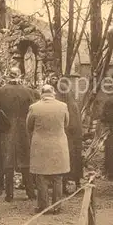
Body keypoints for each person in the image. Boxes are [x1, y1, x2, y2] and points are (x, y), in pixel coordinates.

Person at [0, 67, 37, 201]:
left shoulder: (0, 92)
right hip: (24, 129)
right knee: (25, 160)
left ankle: (9, 194)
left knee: (8, 162)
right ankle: (30, 192)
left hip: (6, 129)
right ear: (20, 76)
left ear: (8, 75)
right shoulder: (29, 92)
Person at [27, 85, 70, 214]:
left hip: (40, 144)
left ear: (41, 93)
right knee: (57, 177)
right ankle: (57, 206)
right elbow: (66, 123)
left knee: (41, 176)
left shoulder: (34, 107)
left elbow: (29, 126)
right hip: (58, 143)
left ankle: (43, 206)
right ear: (53, 93)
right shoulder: (63, 106)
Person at [49, 74, 83, 194]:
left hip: (65, 135)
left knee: (64, 159)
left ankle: (63, 184)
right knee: (74, 158)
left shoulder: (61, 104)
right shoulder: (72, 103)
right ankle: (76, 183)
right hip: (73, 135)